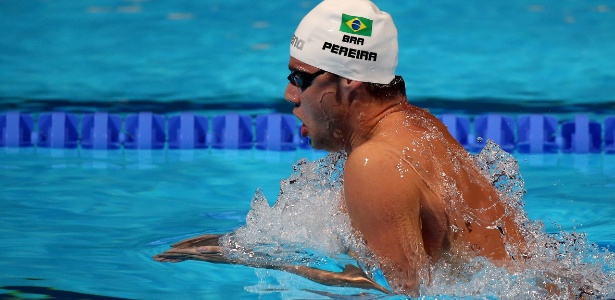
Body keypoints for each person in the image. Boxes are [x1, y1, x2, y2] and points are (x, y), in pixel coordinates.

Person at [155, 0, 527, 296]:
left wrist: (271, 264)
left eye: (300, 79)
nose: (289, 95)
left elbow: (401, 294)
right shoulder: (415, 125)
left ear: (349, 80)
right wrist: (222, 249)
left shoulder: (375, 162)